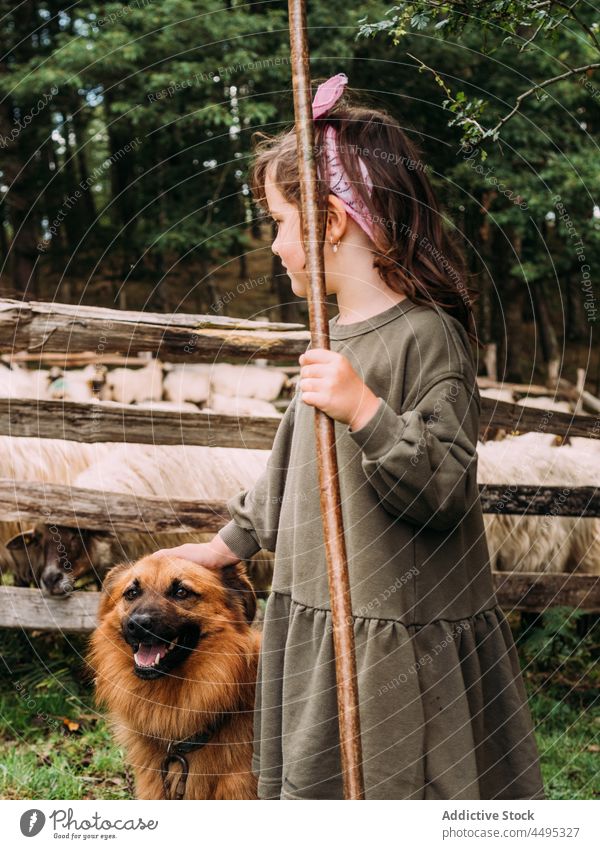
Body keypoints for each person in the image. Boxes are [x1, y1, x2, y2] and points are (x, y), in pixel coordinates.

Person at [156, 74, 545, 800]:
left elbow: (446, 486)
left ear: (330, 222)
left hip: (395, 624)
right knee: (322, 783)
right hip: (317, 607)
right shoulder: (326, 336)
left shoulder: (429, 337)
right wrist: (226, 545)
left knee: (399, 785)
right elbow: (294, 463)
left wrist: (365, 408)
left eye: (279, 222)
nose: (274, 245)